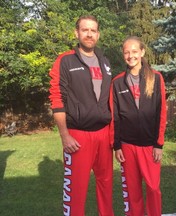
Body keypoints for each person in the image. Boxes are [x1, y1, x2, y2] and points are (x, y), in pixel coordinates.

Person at [49, 15, 114, 216]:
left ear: (98, 34)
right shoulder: (65, 60)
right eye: (85, 30)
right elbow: (57, 98)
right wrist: (65, 135)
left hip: (104, 135)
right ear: (76, 33)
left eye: (93, 30)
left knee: (106, 185)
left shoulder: (105, 62)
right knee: (75, 189)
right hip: (77, 136)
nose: (89, 34)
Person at [110, 36, 167, 216]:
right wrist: (116, 145)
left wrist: (159, 144)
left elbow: (161, 113)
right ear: (123, 54)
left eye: (134, 51)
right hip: (127, 146)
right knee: (133, 192)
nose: (130, 55)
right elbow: (115, 117)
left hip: (150, 146)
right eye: (127, 52)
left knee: (153, 188)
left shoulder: (156, 78)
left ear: (142, 52)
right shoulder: (117, 82)